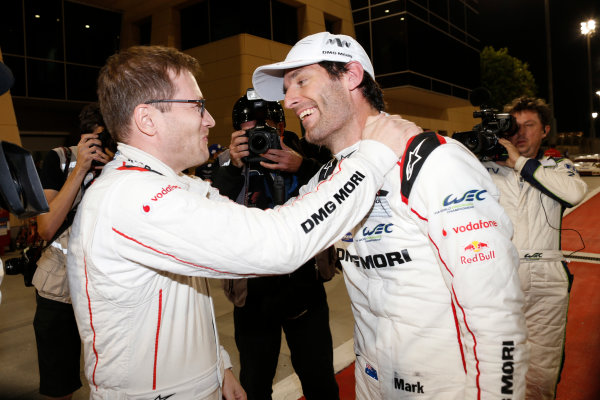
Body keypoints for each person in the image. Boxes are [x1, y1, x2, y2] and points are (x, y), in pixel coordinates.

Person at [65, 45, 418, 400]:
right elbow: (277, 243)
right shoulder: (131, 197)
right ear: (147, 119)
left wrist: (218, 365)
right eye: (197, 106)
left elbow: (187, 295)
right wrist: (371, 159)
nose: (210, 120)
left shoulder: (172, 184)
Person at [252, 31, 529, 399]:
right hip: (372, 381)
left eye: (301, 81)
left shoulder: (435, 160)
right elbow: (270, 241)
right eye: (287, 88)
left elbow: (495, 310)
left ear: (350, 76)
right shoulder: (328, 178)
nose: (288, 100)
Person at [212, 90, 338, 399]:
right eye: (249, 130)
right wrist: (232, 168)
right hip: (254, 293)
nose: (259, 136)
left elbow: (338, 189)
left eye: (266, 127)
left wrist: (302, 167)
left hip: (304, 286)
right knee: (255, 384)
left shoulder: (307, 151)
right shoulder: (226, 163)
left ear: (281, 128)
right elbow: (212, 208)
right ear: (236, 132)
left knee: (319, 379)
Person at [482, 96, 587, 400]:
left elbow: (574, 192)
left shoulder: (558, 166)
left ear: (545, 131)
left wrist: (520, 162)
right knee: (498, 361)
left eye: (530, 125)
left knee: (542, 366)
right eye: (515, 126)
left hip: (547, 275)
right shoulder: (487, 169)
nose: (521, 133)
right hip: (501, 274)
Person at [32, 103, 112, 400]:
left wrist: (116, 167)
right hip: (59, 286)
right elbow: (46, 227)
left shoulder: (122, 164)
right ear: (89, 134)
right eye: (104, 138)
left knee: (112, 375)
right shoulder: (60, 159)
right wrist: (80, 169)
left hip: (108, 285)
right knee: (59, 381)